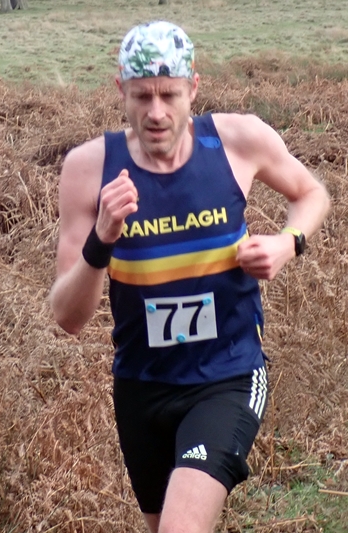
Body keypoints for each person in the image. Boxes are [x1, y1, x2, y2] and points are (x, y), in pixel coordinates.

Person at [50, 20, 330, 533]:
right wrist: (102, 239)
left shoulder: (238, 140)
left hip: (228, 374)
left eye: (169, 95)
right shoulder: (88, 169)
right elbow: (68, 316)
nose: (156, 112)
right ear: (120, 90)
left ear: (193, 89)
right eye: (142, 96)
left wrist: (287, 243)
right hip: (141, 385)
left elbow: (312, 194)